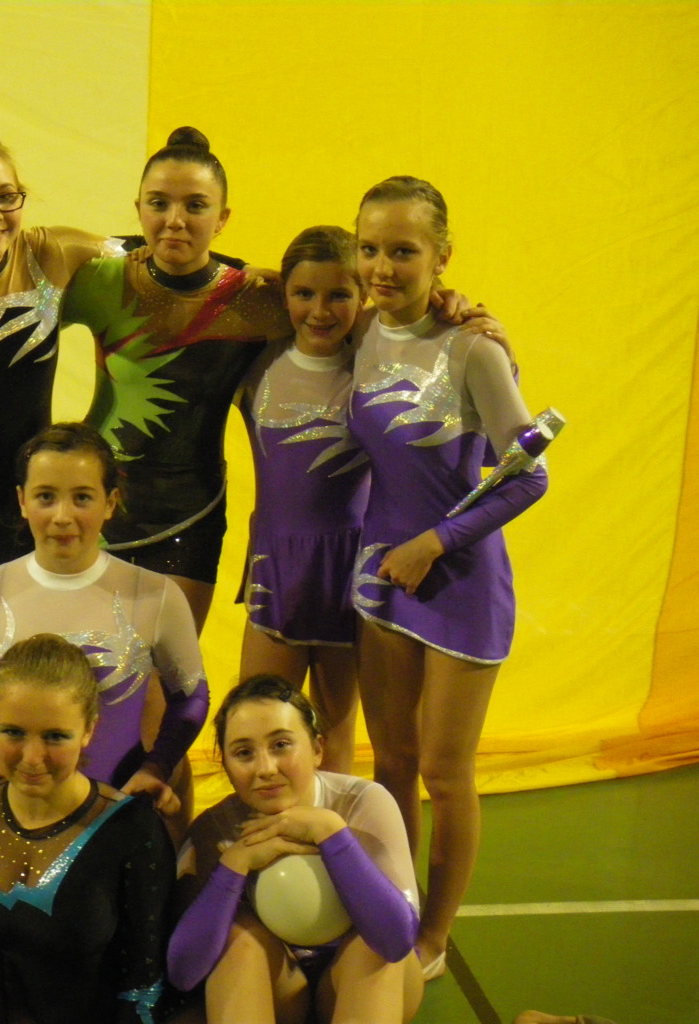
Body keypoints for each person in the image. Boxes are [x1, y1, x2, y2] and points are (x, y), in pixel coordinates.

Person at [347, 176, 547, 977]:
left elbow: (528, 477)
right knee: (390, 761)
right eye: (368, 248)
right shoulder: (358, 328)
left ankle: (432, 937)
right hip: (381, 581)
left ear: (441, 256)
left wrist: (433, 542)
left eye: (402, 251)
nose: (381, 267)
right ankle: (395, 910)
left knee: (443, 771)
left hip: (458, 583)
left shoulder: (473, 348)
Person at [63, 127, 292, 632]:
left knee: (171, 675)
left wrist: (442, 306)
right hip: (94, 508)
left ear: (223, 218)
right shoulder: (104, 276)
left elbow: (354, 315)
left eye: (196, 206)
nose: (175, 221)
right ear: (139, 208)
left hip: (191, 515)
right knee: (85, 670)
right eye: (159, 203)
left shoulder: (255, 298)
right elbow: (20, 264)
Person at [0, 423, 207, 840]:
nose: (62, 517)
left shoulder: (155, 595)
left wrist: (158, 766)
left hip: (117, 818)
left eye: (82, 497)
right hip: (16, 817)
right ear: (22, 501)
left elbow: (191, 696)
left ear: (110, 502)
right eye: (46, 496)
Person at [0, 634, 178, 1024]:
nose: (33, 758)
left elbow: (145, 986)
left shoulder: (131, 828)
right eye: (13, 732)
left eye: (55, 736)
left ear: (88, 729)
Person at [167, 675, 423, 1023]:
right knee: (236, 938)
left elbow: (396, 940)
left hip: (361, 981)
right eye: (244, 753)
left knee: (372, 948)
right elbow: (183, 972)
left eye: (281, 745)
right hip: (279, 994)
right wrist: (234, 865)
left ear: (317, 749)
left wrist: (332, 834)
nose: (265, 769)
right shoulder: (213, 828)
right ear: (225, 765)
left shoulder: (363, 803)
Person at [234, 226, 370, 773]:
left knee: (335, 738)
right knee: (258, 724)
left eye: (339, 295)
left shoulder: (374, 367)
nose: (319, 310)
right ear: (283, 295)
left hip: (349, 571)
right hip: (276, 567)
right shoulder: (255, 362)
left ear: (363, 298)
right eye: (303, 293)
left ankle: (332, 828)